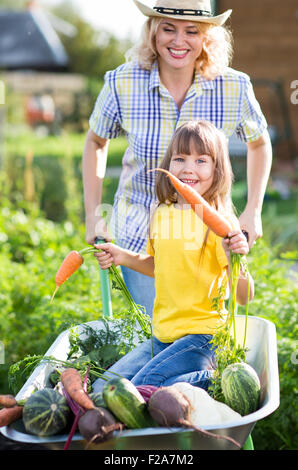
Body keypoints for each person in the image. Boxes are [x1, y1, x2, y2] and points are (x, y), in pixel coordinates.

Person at [83, 0, 271, 318]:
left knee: (201, 327)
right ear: (153, 33)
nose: (178, 41)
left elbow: (259, 144)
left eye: (191, 31)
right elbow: (96, 143)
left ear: (206, 38)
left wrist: (253, 211)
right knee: (152, 331)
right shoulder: (122, 82)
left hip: (208, 237)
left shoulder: (233, 86)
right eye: (168, 29)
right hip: (139, 231)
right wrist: (92, 213)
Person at [91, 120, 254, 393]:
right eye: (180, 158)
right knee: (101, 389)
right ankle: (188, 384)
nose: (189, 168)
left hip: (203, 336)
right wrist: (123, 256)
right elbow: (161, 266)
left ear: (218, 169)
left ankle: (217, 379)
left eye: (201, 160)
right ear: (169, 164)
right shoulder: (161, 212)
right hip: (164, 335)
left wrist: (236, 257)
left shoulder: (221, 224)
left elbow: (244, 297)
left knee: (139, 389)